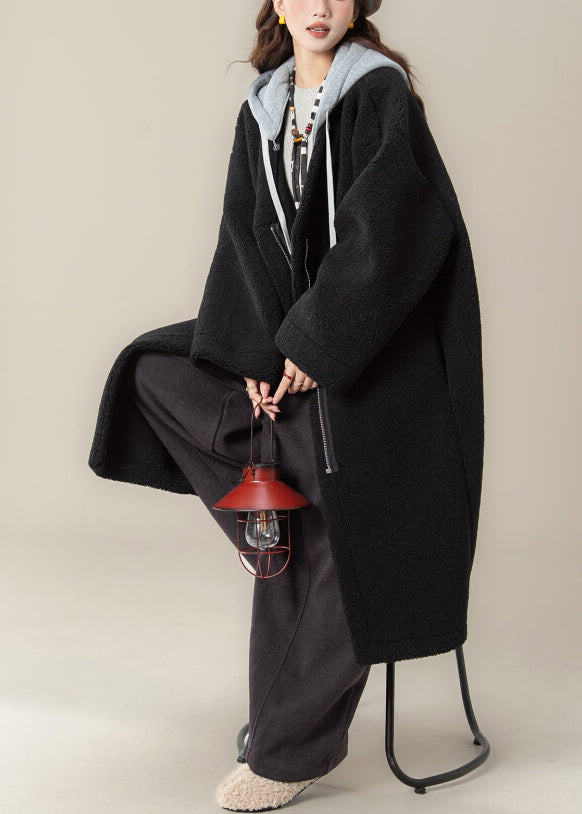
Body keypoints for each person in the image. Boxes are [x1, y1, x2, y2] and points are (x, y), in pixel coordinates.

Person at [88, 0, 485, 810]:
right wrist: (254, 357)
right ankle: (274, 504)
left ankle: (289, 752)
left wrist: (317, 341)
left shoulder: (378, 93)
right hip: (298, 376)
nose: (319, 5)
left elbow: (392, 234)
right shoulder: (263, 110)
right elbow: (243, 240)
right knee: (152, 372)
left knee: (343, 534)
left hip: (382, 370)